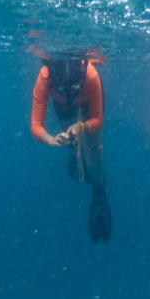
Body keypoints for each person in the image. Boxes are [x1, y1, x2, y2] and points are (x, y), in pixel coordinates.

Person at [29, 51, 110, 242]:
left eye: (74, 85)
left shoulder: (89, 74)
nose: (69, 90)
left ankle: (99, 189)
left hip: (87, 104)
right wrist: (51, 140)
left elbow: (97, 119)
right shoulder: (46, 75)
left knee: (94, 148)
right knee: (72, 141)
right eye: (63, 87)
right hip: (63, 106)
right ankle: (75, 153)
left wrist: (81, 126)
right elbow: (35, 124)